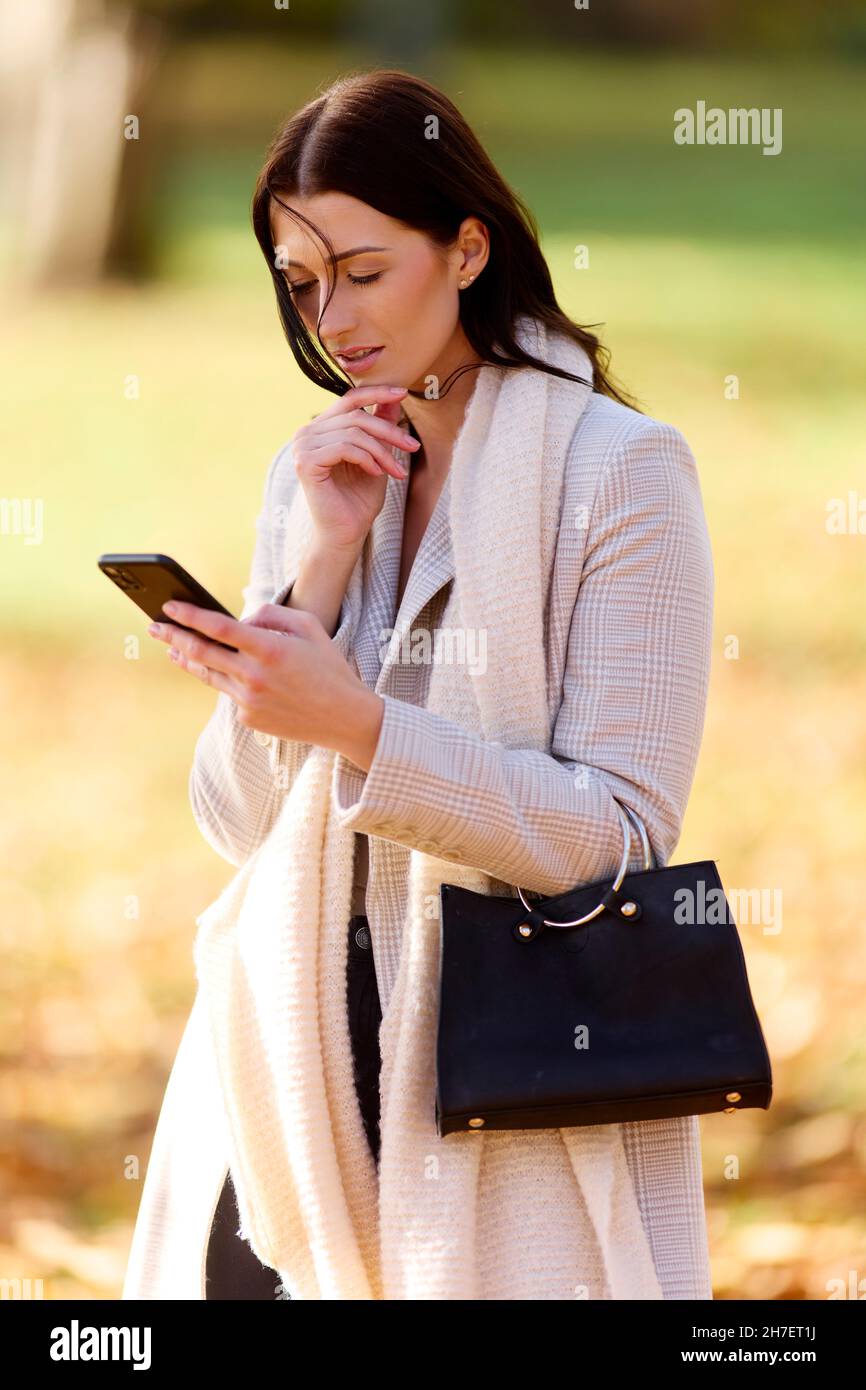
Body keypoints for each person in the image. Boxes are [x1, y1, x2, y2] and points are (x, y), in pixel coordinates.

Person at [123, 68, 715, 1301]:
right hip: (287, 1058)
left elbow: (615, 838)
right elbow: (238, 823)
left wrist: (360, 727)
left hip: (499, 1068)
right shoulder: (319, 473)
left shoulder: (622, 474)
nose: (331, 317)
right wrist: (320, 562)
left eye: (362, 268)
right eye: (300, 282)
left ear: (466, 247)